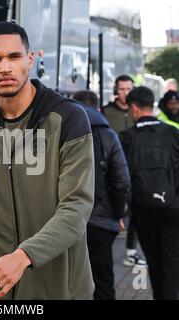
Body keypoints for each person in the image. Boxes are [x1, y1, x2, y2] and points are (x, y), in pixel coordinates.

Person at [0, 22, 95, 300]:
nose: (5, 67)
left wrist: (23, 256)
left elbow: (76, 208)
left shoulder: (68, 118)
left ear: (30, 59)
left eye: (14, 57)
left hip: (58, 287)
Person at [120, 86, 179, 300]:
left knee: (154, 263)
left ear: (133, 108)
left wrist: (120, 211)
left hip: (144, 212)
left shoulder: (126, 137)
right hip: (174, 209)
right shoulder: (173, 132)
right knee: (172, 265)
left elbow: (121, 179)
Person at [74, 90, 130, 300]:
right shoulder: (108, 135)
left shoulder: (61, 129)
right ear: (97, 108)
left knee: (67, 282)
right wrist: (118, 213)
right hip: (101, 221)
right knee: (103, 280)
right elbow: (121, 180)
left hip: (66, 223)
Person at [103, 75, 146, 267]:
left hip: (135, 169)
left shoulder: (137, 113)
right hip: (112, 171)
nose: (125, 93)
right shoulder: (106, 111)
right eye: (122, 89)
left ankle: (131, 252)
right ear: (115, 90)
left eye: (129, 89)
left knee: (136, 210)